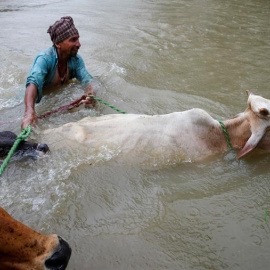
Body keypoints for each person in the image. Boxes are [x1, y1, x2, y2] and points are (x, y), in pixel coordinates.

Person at [21, 16, 95, 129]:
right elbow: (33, 82)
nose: (79, 44)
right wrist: (29, 112)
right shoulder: (45, 59)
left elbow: (87, 79)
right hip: (26, 101)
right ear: (58, 44)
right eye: (73, 40)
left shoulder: (76, 60)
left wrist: (91, 94)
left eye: (78, 39)